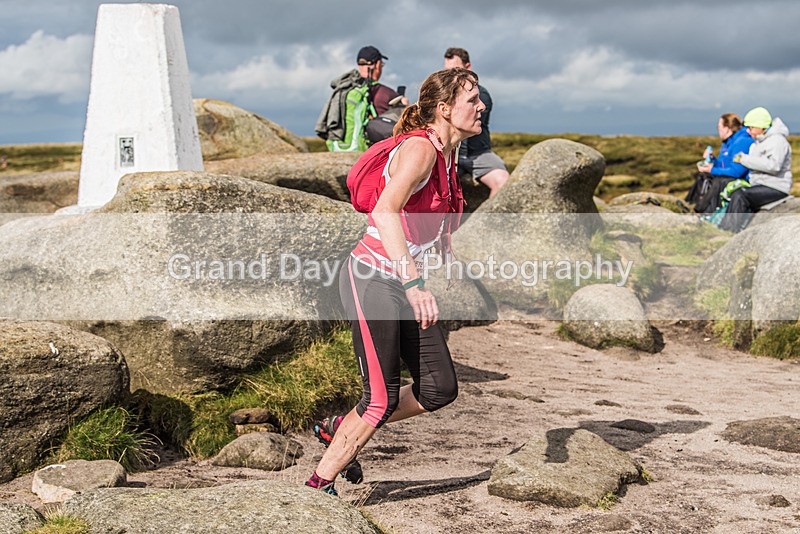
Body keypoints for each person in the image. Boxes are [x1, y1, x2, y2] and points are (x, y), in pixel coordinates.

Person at [304, 67, 482, 495]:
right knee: (379, 399)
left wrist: (433, 255)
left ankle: (337, 428)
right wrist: (414, 285)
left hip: (399, 281)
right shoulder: (422, 149)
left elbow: (421, 216)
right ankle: (317, 486)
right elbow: (384, 212)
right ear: (444, 109)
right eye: (472, 99)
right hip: (374, 280)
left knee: (438, 387)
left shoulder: (447, 152)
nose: (481, 106)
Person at [443, 47, 509, 197]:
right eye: (447, 71)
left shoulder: (481, 95)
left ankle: (487, 221)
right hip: (450, 152)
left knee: (503, 181)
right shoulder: (442, 94)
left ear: (468, 67)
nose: (450, 75)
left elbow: (466, 127)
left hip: (478, 153)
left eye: (455, 70)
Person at [719, 107, 793, 233]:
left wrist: (745, 159)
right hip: (760, 184)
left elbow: (774, 166)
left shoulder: (778, 141)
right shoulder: (757, 143)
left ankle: (729, 232)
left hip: (776, 187)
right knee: (733, 190)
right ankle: (722, 228)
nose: (748, 131)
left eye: (751, 127)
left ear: (762, 126)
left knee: (741, 195)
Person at [685, 113, 753, 213]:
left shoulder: (742, 142)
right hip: (730, 177)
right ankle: (689, 205)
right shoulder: (727, 142)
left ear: (727, 128)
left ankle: (702, 210)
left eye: (719, 127)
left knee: (717, 181)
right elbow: (723, 165)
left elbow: (737, 171)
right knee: (703, 176)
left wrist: (712, 169)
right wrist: (712, 159)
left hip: (741, 180)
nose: (718, 130)